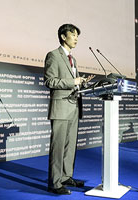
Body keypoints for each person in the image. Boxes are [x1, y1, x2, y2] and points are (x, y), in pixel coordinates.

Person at [44, 24, 95, 195]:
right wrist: (73, 82)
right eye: (73, 35)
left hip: (74, 106)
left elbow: (73, 82)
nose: (76, 38)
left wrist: (83, 82)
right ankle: (54, 182)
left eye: (77, 36)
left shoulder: (73, 59)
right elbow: (50, 82)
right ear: (63, 37)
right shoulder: (53, 55)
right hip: (60, 107)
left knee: (70, 146)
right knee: (58, 147)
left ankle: (66, 176)